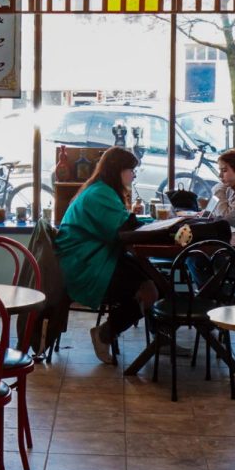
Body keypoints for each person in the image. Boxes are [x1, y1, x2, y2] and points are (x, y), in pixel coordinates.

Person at [55, 147, 158, 364]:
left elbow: (123, 224)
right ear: (117, 170)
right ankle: (104, 334)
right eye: (131, 169)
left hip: (94, 258)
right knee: (148, 289)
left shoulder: (101, 190)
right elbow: (123, 228)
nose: (133, 175)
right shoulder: (100, 193)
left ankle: (160, 335)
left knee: (152, 282)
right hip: (86, 265)